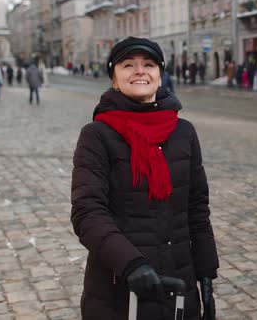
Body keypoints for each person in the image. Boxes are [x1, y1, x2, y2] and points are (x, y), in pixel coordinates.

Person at [71, 37, 219, 320]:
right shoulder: (97, 135)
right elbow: (87, 213)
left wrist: (206, 275)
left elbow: (197, 209)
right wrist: (131, 264)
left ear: (159, 75)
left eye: (148, 64)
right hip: (120, 288)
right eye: (128, 65)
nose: (140, 71)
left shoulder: (184, 132)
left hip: (180, 284)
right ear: (114, 78)